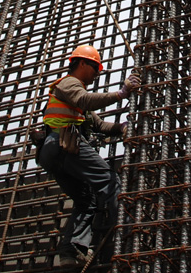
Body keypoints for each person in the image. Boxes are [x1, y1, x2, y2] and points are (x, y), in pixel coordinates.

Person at [37, 44, 141, 266]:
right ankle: (128, 232)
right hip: (64, 142)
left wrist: (120, 128)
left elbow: (98, 124)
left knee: (86, 200)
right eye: (95, 67)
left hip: (54, 152)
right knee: (110, 181)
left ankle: (70, 251)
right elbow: (85, 100)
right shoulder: (69, 84)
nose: (98, 73)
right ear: (81, 63)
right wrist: (121, 94)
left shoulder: (76, 96)